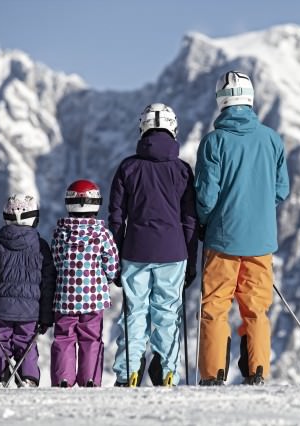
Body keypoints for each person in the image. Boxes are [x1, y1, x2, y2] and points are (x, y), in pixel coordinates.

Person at [194, 71, 290, 385]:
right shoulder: (272, 139)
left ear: (221, 101)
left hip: (222, 239)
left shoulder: (213, 142)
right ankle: (257, 371)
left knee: (215, 307)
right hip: (261, 242)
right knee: (256, 310)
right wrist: (259, 211)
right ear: (250, 99)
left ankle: (213, 374)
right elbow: (281, 189)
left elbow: (206, 196)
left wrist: (204, 222)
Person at [109, 103, 198, 387]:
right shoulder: (182, 170)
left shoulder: (128, 168)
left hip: (135, 250)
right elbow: (190, 220)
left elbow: (115, 217)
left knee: (134, 313)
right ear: (173, 129)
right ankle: (168, 371)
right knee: (167, 313)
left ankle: (129, 372)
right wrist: (190, 261)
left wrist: (117, 254)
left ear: (143, 129)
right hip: (173, 252)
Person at [0, 193, 56, 387]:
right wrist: (46, 316)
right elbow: (48, 284)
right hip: (30, 311)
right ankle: (28, 378)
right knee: (26, 343)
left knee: (0, 341)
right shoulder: (41, 247)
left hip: (1, 309)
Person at [50, 179, 120, 387]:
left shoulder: (61, 234)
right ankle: (90, 379)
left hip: (65, 297)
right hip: (94, 298)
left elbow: (56, 259)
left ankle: (63, 379)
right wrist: (106, 278)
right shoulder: (102, 234)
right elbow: (112, 264)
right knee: (91, 338)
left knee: (64, 337)